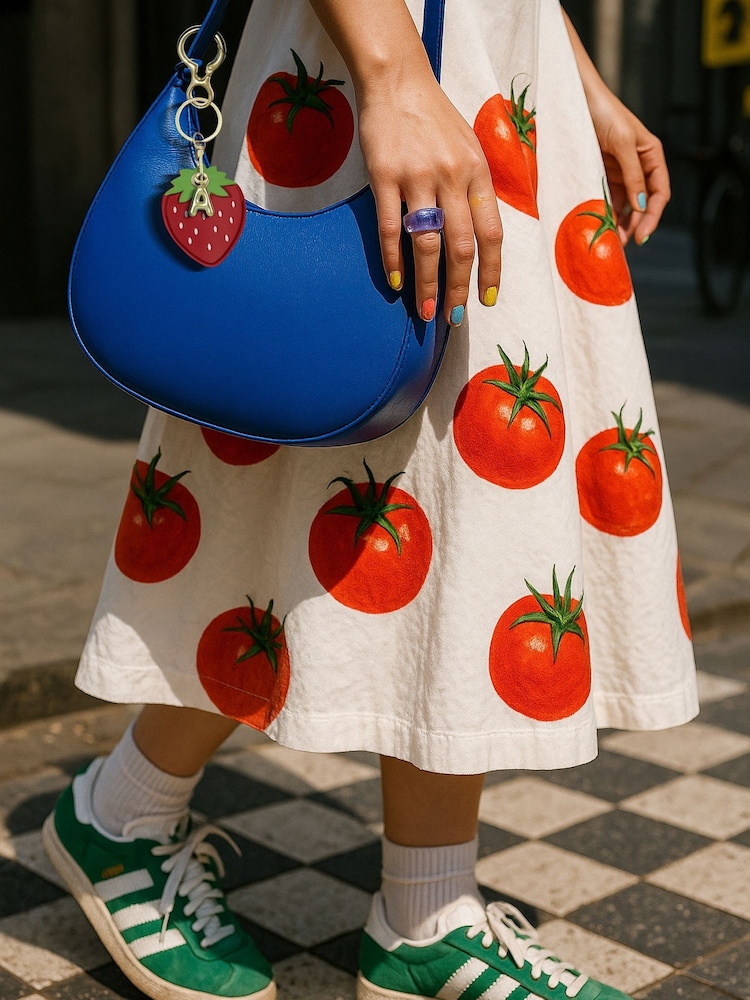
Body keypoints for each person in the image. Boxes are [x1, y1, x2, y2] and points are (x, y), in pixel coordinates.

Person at [43, 2, 699, 999]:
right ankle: (123, 811)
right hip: (364, 63)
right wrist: (391, 71)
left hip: (487, 80)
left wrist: (577, 80)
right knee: (286, 456)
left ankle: (426, 908)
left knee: (462, 495)